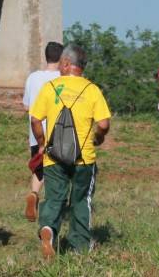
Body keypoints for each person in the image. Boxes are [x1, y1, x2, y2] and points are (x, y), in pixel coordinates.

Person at [30, 45, 111, 258]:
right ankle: (79, 247)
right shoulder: (92, 89)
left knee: (54, 198)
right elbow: (103, 124)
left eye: (60, 63)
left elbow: (35, 120)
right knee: (81, 200)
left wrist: (42, 143)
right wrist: (98, 138)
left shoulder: (50, 87)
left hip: (54, 156)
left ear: (66, 63)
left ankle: (48, 229)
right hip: (83, 158)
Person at [21, 41, 62, 222]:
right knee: (57, 171)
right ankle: (53, 208)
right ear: (62, 58)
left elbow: (26, 106)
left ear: (46, 57)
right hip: (58, 133)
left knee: (39, 169)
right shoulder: (63, 78)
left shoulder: (33, 77)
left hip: (36, 133)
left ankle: (34, 193)